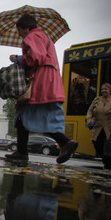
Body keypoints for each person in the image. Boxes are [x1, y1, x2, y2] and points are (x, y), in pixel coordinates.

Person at [6, 14, 78, 163]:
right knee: (41, 116)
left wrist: (18, 58)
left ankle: (24, 152)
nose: (19, 35)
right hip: (50, 80)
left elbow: (36, 58)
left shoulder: (32, 36)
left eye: (19, 31)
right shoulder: (45, 38)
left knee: (23, 114)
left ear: (26, 28)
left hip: (40, 81)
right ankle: (63, 143)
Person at [86, 83, 111, 169]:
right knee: (96, 143)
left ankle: (108, 163)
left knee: (110, 146)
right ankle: (105, 160)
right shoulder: (96, 100)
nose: (103, 91)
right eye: (102, 89)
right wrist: (89, 121)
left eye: (106, 89)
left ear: (110, 91)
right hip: (98, 126)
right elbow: (90, 111)